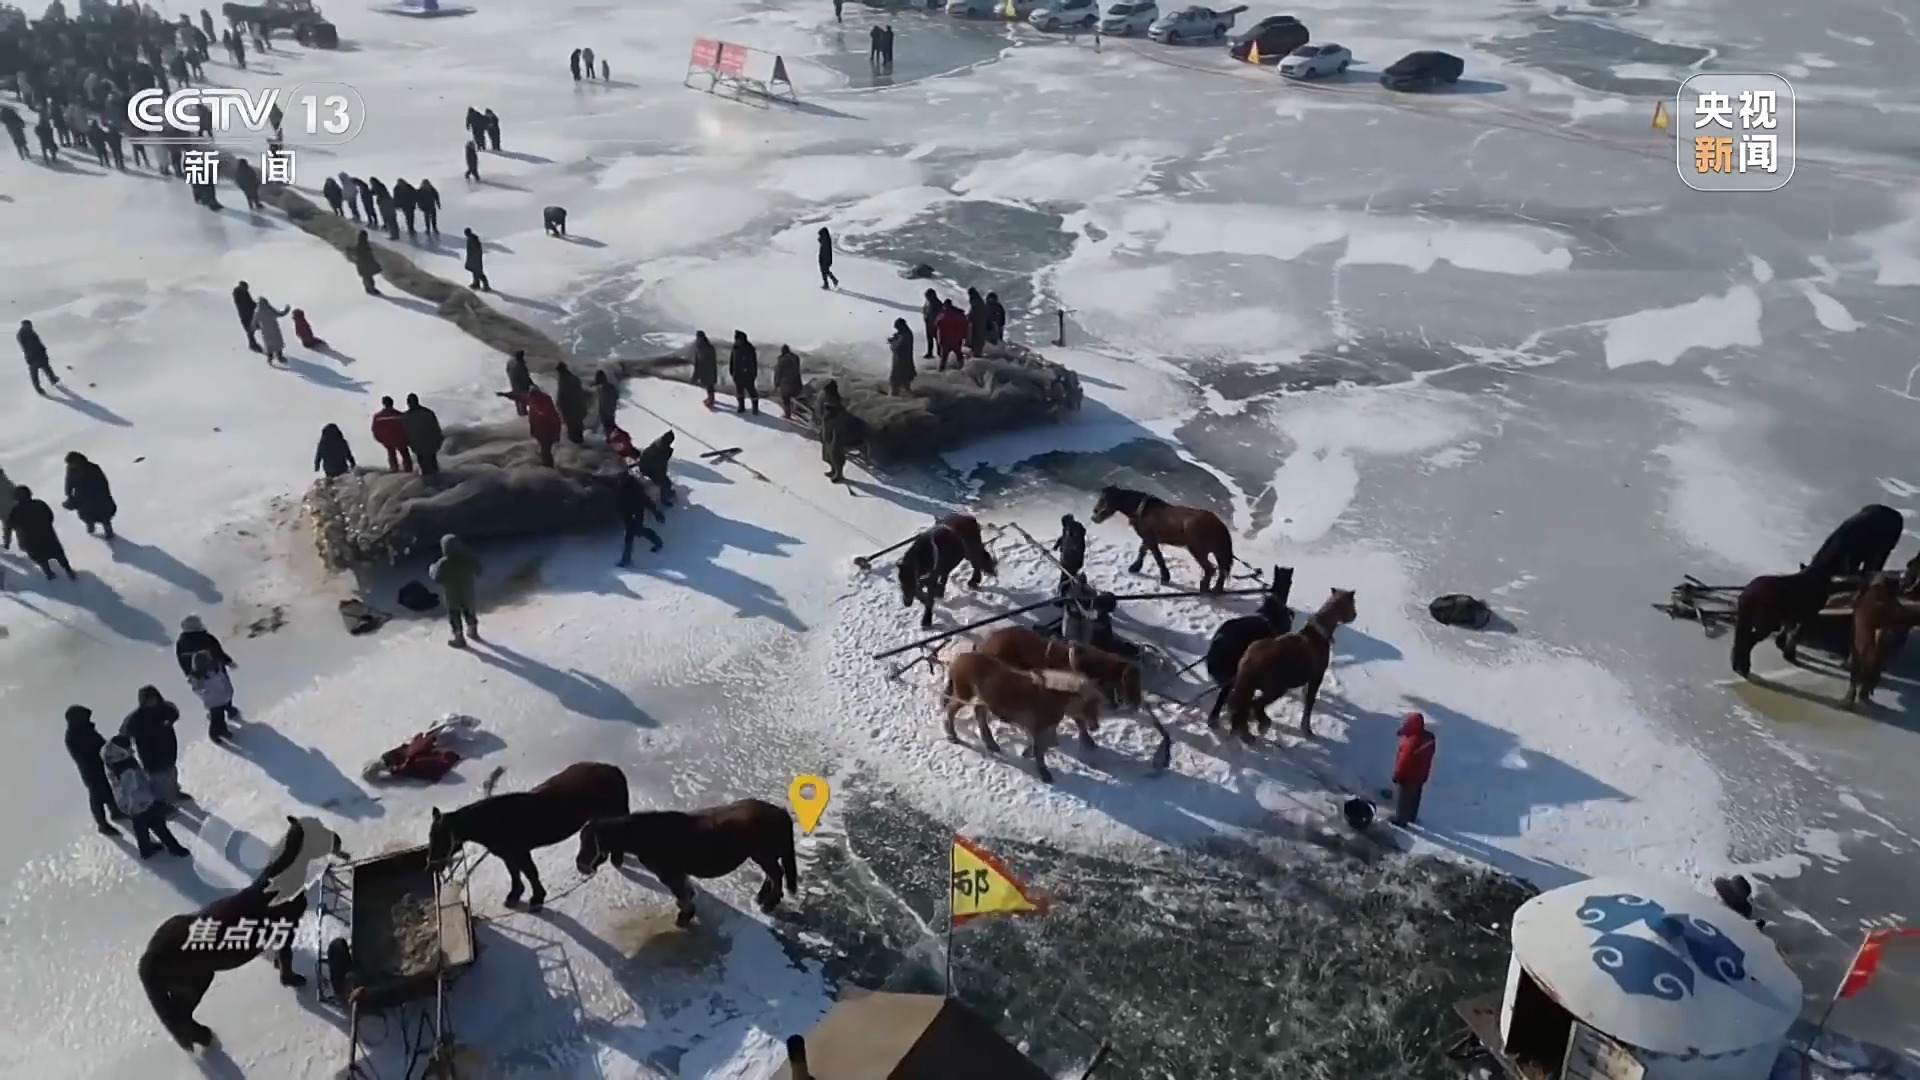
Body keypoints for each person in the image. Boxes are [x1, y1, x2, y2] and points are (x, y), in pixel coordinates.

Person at [102, 735, 190, 859]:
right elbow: (131, 788)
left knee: (143, 828)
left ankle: (147, 849)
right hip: (139, 802)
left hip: (136, 802)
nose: (131, 749)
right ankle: (173, 848)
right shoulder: (124, 767)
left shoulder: (117, 761)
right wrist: (144, 799)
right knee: (157, 824)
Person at [65, 705, 124, 836]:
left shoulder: (86, 729)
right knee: (97, 796)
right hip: (90, 770)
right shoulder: (73, 736)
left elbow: (99, 743)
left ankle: (115, 811)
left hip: (99, 765)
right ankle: (102, 824)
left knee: (107, 788)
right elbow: (86, 751)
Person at [121, 686, 186, 805]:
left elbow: (174, 713)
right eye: (149, 700)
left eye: (154, 698)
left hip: (168, 747)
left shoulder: (164, 708)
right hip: (150, 753)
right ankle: (161, 802)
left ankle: (174, 793)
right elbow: (125, 732)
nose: (152, 702)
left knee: (171, 772)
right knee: (157, 778)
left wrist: (169, 721)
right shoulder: (136, 718)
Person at [7, 487, 75, 580]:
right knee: (58, 554)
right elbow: (50, 517)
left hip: (30, 543)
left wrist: (8, 542)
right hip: (48, 537)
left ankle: (49, 574)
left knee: (41, 558)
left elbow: (10, 526)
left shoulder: (15, 511)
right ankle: (69, 571)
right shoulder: (40, 504)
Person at [429, 534, 483, 647]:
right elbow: (479, 570)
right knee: (469, 611)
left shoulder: (443, 563)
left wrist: (432, 567)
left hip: (452, 595)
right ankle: (473, 631)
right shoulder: (468, 558)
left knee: (454, 616)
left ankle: (459, 638)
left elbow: (436, 578)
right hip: (468, 593)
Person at [1390, 712, 1436, 827]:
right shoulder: (1428, 738)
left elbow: (1404, 761)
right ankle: (1411, 817)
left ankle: (1400, 820)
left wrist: (1397, 775)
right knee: (1415, 797)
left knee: (1403, 799)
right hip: (1421, 775)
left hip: (1407, 775)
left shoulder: (1411, 742)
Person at [187, 650, 239, 743]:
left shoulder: (215, 669)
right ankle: (213, 734)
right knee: (216, 719)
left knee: (221, 716)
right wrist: (204, 691)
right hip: (212, 702)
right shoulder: (198, 676)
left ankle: (223, 730)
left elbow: (223, 680)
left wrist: (228, 690)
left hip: (222, 698)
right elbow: (196, 689)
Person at [62, 452, 117, 540]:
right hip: (81, 496)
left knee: (103, 514)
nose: (71, 465)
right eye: (70, 464)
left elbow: (103, 482)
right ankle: (90, 527)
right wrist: (69, 494)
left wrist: (104, 494)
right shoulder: (70, 470)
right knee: (86, 514)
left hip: (97, 495)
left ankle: (108, 530)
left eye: (72, 463)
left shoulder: (93, 468)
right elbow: (68, 482)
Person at [616, 470, 665, 567]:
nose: (620, 479)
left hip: (636, 511)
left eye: (621, 477)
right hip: (627, 513)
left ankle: (657, 541)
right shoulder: (620, 486)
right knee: (632, 532)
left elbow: (645, 499)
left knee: (637, 530)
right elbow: (619, 501)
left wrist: (655, 512)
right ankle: (626, 558)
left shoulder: (634, 486)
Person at [519, 385, 562, 466]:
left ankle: (549, 466)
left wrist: (556, 433)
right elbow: (519, 397)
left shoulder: (544, 402)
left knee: (546, 450)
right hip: (539, 429)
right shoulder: (531, 398)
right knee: (544, 449)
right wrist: (505, 394)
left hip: (547, 430)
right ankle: (546, 463)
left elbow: (554, 419)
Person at [403, 394, 445, 476]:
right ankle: (436, 482)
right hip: (429, 445)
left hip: (419, 447)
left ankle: (431, 483)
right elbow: (436, 429)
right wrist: (438, 441)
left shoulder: (406, 417)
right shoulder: (427, 413)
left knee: (425, 467)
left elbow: (406, 433)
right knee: (432, 466)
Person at [372, 396, 413, 472]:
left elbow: (375, 430)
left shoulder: (378, 417)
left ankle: (394, 470)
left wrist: (381, 440)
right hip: (401, 440)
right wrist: (407, 439)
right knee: (405, 455)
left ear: (383, 404)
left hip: (388, 441)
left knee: (391, 455)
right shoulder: (400, 415)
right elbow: (407, 427)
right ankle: (408, 471)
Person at [636, 431, 676, 506]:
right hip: (650, 470)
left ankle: (667, 492)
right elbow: (661, 466)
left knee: (665, 481)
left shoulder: (655, 445)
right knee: (666, 484)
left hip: (646, 467)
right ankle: (664, 499)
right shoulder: (663, 451)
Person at [19, 319, 59, 394]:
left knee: (47, 367)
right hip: (32, 356)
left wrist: (43, 350)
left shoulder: (31, 332)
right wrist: (31, 355)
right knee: (34, 373)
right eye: (29, 325)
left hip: (39, 353)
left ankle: (52, 379)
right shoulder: (21, 335)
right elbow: (25, 348)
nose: (31, 327)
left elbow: (38, 342)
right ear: (25, 326)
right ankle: (38, 388)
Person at [554, 362, 588, 444]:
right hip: (579, 407)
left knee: (572, 432)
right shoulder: (575, 378)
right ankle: (582, 446)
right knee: (579, 429)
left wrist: (558, 405)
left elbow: (561, 395)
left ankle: (576, 450)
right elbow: (582, 393)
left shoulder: (563, 380)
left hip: (570, 409)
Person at [252, 294, 291, 364]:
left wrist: (253, 329)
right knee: (277, 343)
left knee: (269, 345)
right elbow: (280, 314)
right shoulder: (270, 310)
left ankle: (270, 358)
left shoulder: (258, 312)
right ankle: (280, 357)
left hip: (266, 331)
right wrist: (287, 310)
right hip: (274, 329)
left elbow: (254, 322)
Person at [728, 331, 760, 415]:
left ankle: (755, 408)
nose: (736, 341)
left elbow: (753, 363)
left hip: (748, 375)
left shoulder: (749, 349)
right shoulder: (735, 348)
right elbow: (732, 360)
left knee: (751, 391)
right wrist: (731, 371)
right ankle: (741, 406)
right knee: (739, 392)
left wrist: (752, 373)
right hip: (737, 374)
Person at [1054, 513, 1086, 593]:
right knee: (1067, 575)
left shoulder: (1076, 530)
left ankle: (1066, 593)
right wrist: (1057, 544)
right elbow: (1063, 538)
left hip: (1073, 560)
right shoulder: (1066, 529)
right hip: (1065, 558)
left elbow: (1078, 545)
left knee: (1068, 577)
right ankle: (1067, 591)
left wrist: (1073, 535)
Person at [934, 300, 967, 371]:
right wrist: (963, 336)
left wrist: (939, 341)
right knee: (959, 356)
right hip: (956, 339)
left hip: (946, 340)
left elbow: (937, 324)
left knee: (944, 358)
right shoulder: (959, 314)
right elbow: (964, 325)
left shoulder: (942, 315)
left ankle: (940, 371)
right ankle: (962, 369)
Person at [773, 345, 803, 420]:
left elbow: (778, 372)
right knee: (795, 396)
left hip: (786, 383)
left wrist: (776, 383)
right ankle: (795, 410)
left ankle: (788, 414)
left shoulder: (781, 360)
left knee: (786, 398)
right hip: (796, 381)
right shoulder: (795, 358)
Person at [690, 330, 718, 408]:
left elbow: (711, 360)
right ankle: (710, 398)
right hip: (702, 368)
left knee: (710, 385)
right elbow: (697, 358)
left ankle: (711, 400)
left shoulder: (708, 347)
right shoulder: (698, 346)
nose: (698, 339)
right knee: (707, 385)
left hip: (708, 369)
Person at [888, 318, 916, 396]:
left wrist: (892, 344)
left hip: (901, 363)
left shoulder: (905, 336)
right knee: (905, 383)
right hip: (905, 362)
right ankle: (911, 396)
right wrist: (894, 338)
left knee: (895, 382)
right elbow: (898, 337)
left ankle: (893, 397)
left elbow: (897, 349)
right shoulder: (906, 332)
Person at [351, 230, 382, 295]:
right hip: (366, 265)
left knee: (367, 278)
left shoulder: (359, 245)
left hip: (362, 265)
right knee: (368, 278)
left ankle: (369, 289)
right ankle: (370, 289)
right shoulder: (363, 246)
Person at [506, 350, 534, 415]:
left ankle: (520, 414)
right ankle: (523, 414)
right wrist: (531, 384)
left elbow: (507, 370)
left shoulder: (510, 361)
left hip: (514, 383)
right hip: (521, 384)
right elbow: (525, 377)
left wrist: (511, 378)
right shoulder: (520, 364)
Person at [592, 369, 620, 434]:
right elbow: (616, 397)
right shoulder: (610, 387)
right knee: (612, 429)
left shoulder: (600, 389)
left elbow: (600, 403)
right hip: (611, 412)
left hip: (604, 413)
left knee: (607, 429)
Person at [966, 287, 989, 357]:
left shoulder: (975, 302)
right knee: (979, 344)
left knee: (975, 343)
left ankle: (976, 359)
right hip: (982, 325)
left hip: (976, 326)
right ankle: (977, 356)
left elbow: (972, 314)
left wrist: (967, 318)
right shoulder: (980, 301)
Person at [920, 289, 941, 359]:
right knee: (929, 338)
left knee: (937, 338)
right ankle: (930, 352)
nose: (927, 298)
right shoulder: (927, 302)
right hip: (928, 322)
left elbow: (939, 314)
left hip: (935, 324)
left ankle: (939, 352)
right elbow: (925, 310)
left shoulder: (937, 303)